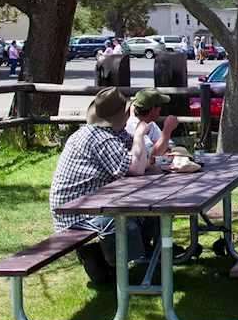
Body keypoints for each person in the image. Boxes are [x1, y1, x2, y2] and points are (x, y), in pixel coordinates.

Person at [48, 87, 167, 287]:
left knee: (145, 212)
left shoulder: (113, 133)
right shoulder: (100, 137)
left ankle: (147, 257)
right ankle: (111, 263)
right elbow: (137, 168)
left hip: (95, 202)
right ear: (122, 114)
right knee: (128, 218)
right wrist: (139, 135)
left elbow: (143, 159)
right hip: (76, 212)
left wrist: (146, 159)